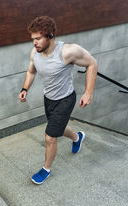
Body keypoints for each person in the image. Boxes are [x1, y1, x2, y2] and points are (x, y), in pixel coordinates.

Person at [18, 16, 97, 185]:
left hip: (65, 99)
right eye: (33, 39)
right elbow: (31, 71)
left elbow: (92, 64)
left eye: (38, 38)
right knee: (58, 128)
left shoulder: (68, 51)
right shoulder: (35, 53)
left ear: (51, 35)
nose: (34, 43)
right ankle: (77, 137)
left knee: (50, 137)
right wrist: (25, 89)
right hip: (49, 99)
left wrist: (88, 92)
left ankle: (46, 169)